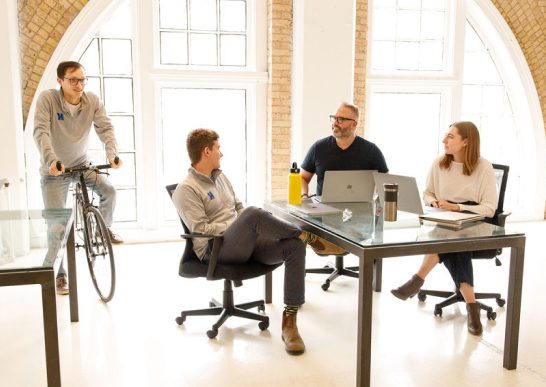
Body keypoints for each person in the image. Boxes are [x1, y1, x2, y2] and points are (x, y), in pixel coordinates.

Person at [172, 128, 341, 355]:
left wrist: (251, 229)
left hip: (243, 243)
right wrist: (242, 225)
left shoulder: (220, 177)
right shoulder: (186, 189)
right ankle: (308, 235)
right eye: (218, 149)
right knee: (253, 214)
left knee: (293, 246)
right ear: (206, 151)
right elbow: (201, 229)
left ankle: (290, 322)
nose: (221, 153)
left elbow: (238, 207)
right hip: (216, 250)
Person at [390, 121, 497, 335]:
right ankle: (472, 307)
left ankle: (416, 280)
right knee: (452, 242)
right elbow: (427, 193)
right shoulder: (439, 164)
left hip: (474, 224)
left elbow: (490, 209)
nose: (444, 140)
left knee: (453, 244)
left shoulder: (484, 167)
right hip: (443, 220)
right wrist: (435, 203)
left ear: (466, 142)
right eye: (445, 136)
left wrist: (456, 207)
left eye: (450, 136)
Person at [34, 61, 123, 296]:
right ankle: (59, 274)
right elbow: (40, 131)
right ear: (60, 81)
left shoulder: (91, 100)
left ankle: (101, 232)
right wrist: (51, 160)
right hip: (56, 171)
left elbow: (106, 128)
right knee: (57, 229)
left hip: (82, 165)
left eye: (83, 79)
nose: (79, 85)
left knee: (109, 191)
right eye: (73, 80)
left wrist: (112, 153)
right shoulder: (48, 99)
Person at [300, 101, 389, 255]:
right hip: (323, 214)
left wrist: (377, 200)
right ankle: (321, 242)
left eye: (340, 119)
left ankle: (320, 242)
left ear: (354, 124)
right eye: (334, 118)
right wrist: (304, 195)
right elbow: (302, 178)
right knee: (297, 226)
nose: (335, 122)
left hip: (359, 215)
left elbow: (385, 183)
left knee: (356, 235)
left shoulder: (371, 150)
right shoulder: (318, 147)